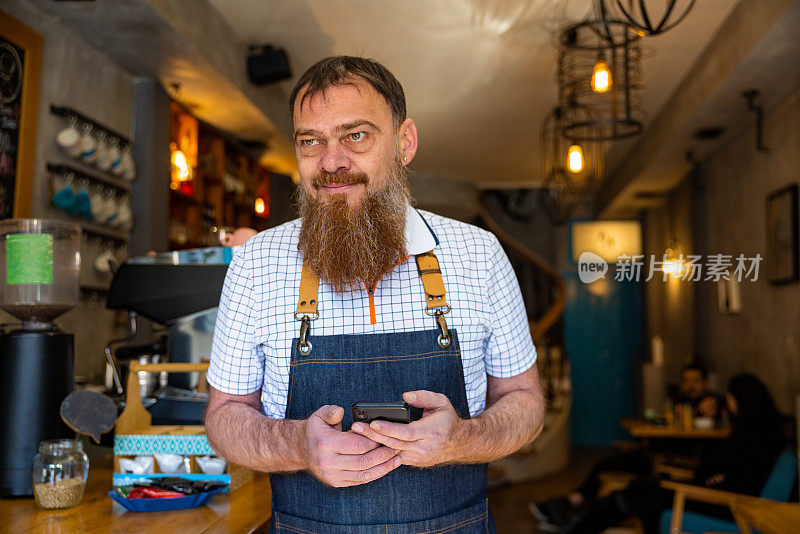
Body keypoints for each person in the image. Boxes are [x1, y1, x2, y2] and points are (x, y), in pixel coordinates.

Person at [204, 56, 545, 533]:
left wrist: (461, 440)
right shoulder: (256, 263)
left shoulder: (479, 254)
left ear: (404, 142)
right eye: (311, 141)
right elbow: (225, 416)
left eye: (356, 136)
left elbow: (524, 401)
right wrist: (298, 445)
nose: (332, 161)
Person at [556, 373, 785, 534]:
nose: (729, 403)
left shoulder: (751, 435)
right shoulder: (764, 430)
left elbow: (735, 478)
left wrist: (712, 478)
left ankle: (580, 523)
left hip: (723, 504)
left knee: (643, 492)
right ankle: (581, 519)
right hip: (713, 495)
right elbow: (727, 469)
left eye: (731, 397)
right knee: (642, 489)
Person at [530, 362, 725, 529]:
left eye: (695, 381)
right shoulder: (679, 402)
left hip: (671, 463)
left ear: (706, 383)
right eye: (686, 380)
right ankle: (573, 503)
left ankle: (575, 510)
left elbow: (722, 407)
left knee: (615, 474)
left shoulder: (710, 403)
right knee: (604, 465)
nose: (690, 385)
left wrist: (713, 403)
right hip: (655, 455)